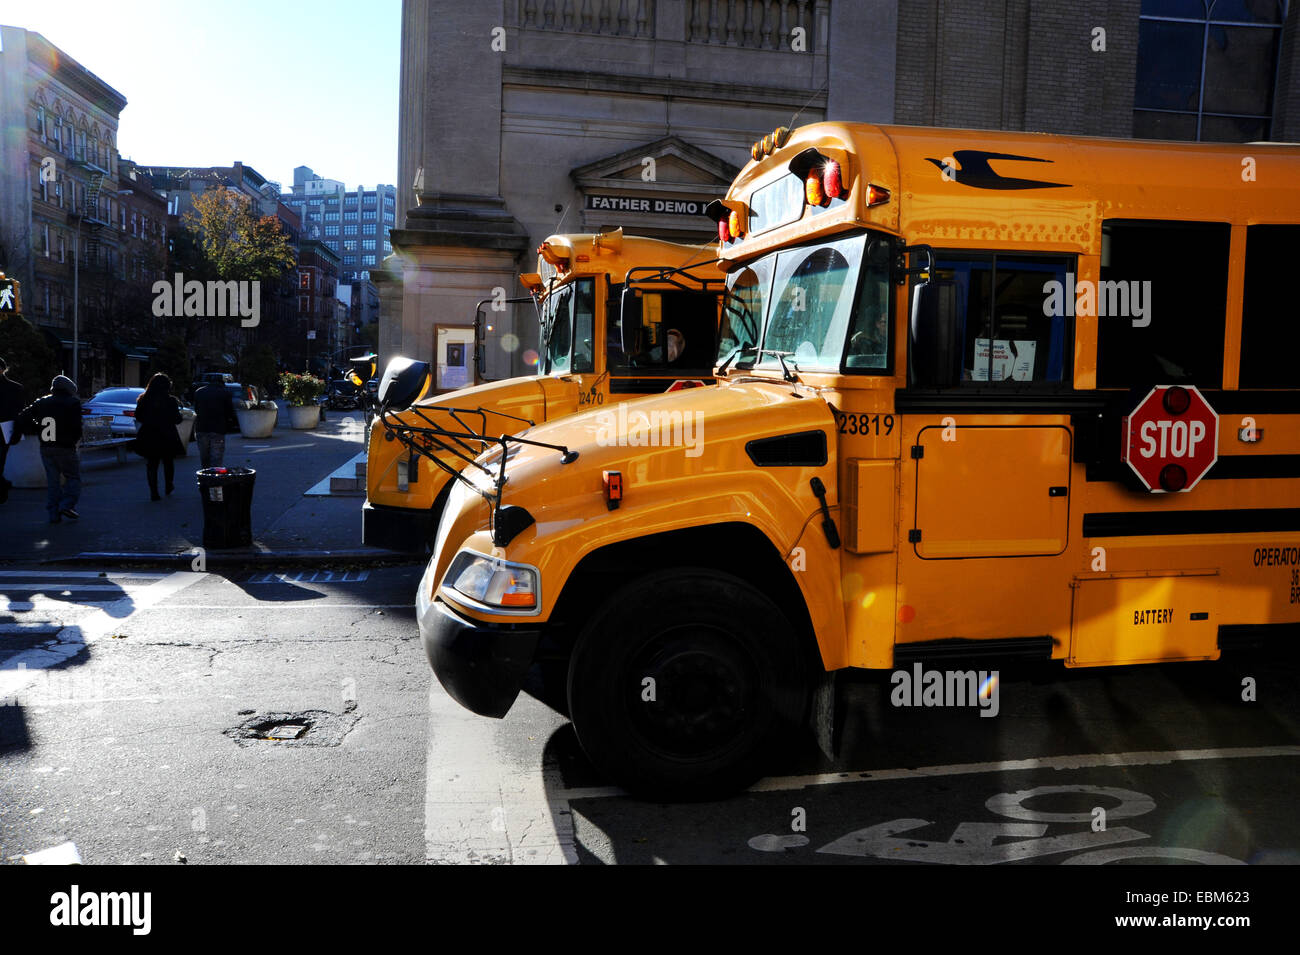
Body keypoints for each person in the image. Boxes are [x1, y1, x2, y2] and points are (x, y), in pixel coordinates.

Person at [17, 375, 82, 522]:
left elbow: (23, 416)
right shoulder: (72, 403)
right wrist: (73, 440)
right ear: (69, 389)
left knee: (53, 481)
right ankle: (67, 505)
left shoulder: (42, 402)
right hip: (65, 446)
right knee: (72, 477)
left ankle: (53, 513)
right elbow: (76, 427)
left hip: (46, 445)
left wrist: (36, 427)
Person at [133, 373, 185, 501]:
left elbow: (138, 416)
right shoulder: (171, 400)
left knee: (152, 463)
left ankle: (154, 492)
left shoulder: (144, 399)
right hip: (167, 434)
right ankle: (168, 485)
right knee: (168, 461)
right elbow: (177, 419)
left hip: (149, 434)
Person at [192, 376, 237, 468]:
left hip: (202, 427)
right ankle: (215, 478)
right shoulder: (225, 393)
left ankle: (204, 475)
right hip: (218, 428)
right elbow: (229, 412)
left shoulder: (199, 392)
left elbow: (196, 409)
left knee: (204, 457)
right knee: (216, 458)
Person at [0, 356, 26, 504]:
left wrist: (17, 431)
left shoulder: (15, 388)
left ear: (3, 369)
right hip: (7, 428)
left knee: (0, 461)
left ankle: (3, 488)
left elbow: (20, 412)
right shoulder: (16, 387)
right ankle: (3, 486)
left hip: (6, 428)